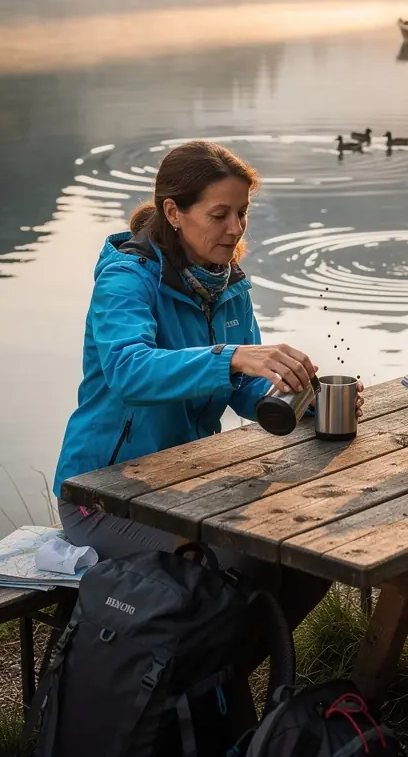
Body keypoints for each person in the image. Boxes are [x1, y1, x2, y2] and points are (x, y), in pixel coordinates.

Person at [55, 139, 362, 633]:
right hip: (103, 495)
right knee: (242, 562)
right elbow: (128, 370)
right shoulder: (126, 279)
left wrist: (303, 396)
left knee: (308, 552)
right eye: (220, 215)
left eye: (242, 213)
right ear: (174, 212)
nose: (235, 228)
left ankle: (225, 681)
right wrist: (233, 355)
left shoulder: (225, 282)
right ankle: (199, 691)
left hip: (185, 485)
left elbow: (243, 390)